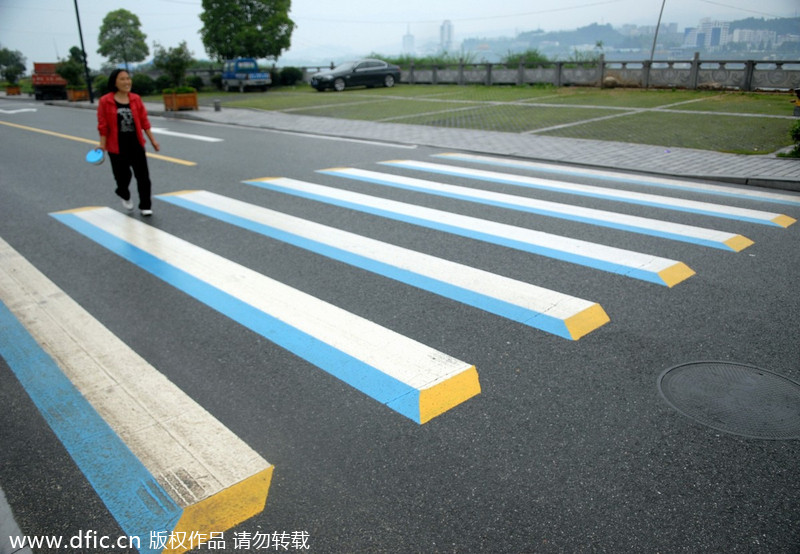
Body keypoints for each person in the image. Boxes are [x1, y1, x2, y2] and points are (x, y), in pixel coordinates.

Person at [97, 68, 160, 216]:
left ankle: (145, 205)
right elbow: (103, 125)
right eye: (122, 79)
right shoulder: (105, 101)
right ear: (115, 82)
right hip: (116, 147)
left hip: (136, 144)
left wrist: (153, 141)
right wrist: (102, 144)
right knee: (123, 177)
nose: (127, 82)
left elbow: (144, 121)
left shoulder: (135, 99)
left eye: (128, 78)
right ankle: (123, 193)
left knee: (143, 177)